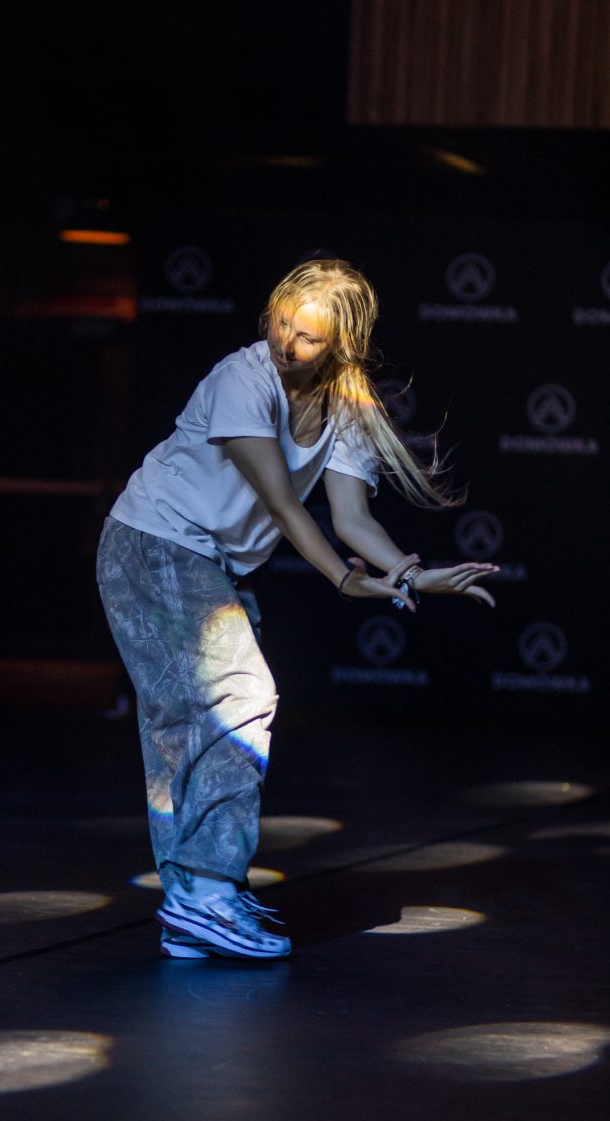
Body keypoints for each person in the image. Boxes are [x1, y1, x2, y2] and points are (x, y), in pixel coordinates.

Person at [96, 257, 498, 962]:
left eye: (308, 337)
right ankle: (207, 894)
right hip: (153, 542)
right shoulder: (241, 379)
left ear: (339, 345)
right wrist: (344, 580)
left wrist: (409, 572)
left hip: (206, 563)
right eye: (282, 323)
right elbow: (283, 503)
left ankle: (194, 900)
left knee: (189, 728)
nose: (287, 343)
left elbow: (352, 519)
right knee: (239, 695)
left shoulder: (350, 409)